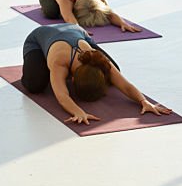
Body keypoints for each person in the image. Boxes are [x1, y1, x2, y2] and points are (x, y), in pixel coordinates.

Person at [20, 23, 171, 124]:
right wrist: (78, 112)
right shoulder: (59, 61)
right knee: (35, 85)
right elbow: (62, 96)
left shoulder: (98, 60)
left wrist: (143, 101)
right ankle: (41, 65)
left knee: (115, 70)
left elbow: (125, 85)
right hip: (39, 39)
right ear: (72, 79)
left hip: (77, 32)